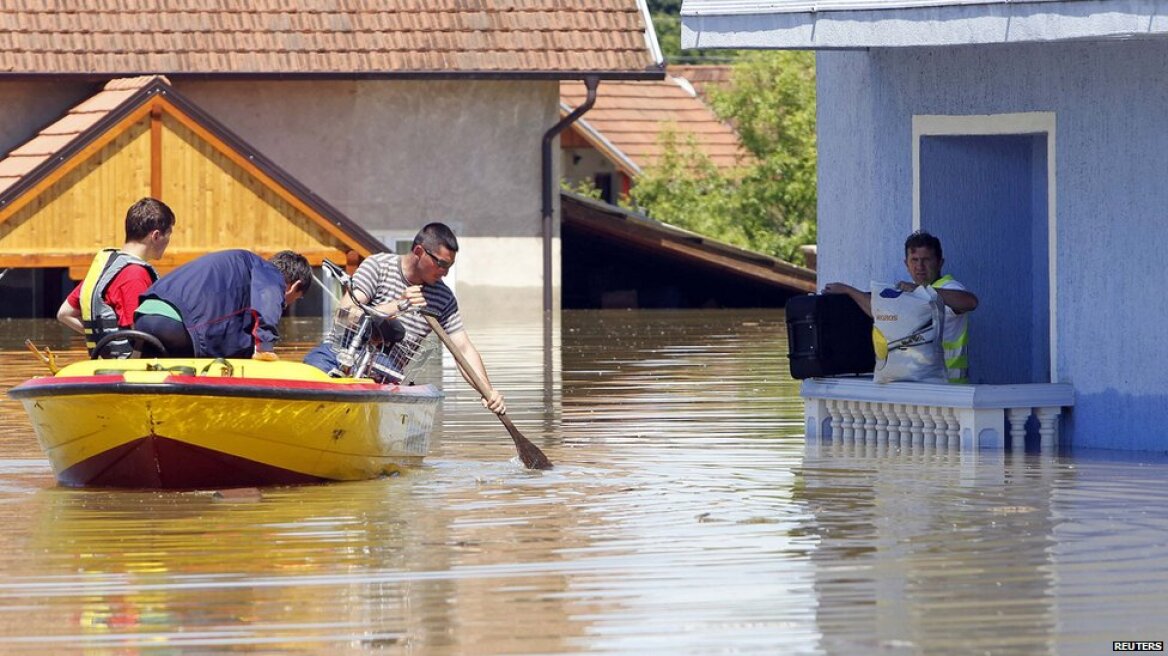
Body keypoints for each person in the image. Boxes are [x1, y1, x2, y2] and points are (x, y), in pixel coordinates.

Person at [304, 222, 506, 414]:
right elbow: (346, 314)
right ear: (419, 251)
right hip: (339, 353)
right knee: (309, 372)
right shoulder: (378, 266)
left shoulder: (443, 298)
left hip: (384, 371)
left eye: (449, 267)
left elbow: (463, 349)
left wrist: (487, 391)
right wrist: (399, 306)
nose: (445, 273)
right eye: (441, 264)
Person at [823, 230, 978, 383]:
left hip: (952, 388)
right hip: (921, 384)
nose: (920, 266)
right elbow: (879, 312)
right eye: (914, 260)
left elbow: (970, 302)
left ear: (939, 262)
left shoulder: (949, 286)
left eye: (926, 260)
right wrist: (848, 290)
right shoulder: (910, 292)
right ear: (906, 264)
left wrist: (924, 290)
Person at [133, 249, 311, 360]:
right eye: (293, 299)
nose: (285, 305)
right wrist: (265, 348)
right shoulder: (270, 273)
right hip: (175, 325)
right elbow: (268, 300)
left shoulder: (242, 264)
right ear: (293, 286)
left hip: (143, 317)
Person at [57, 197, 176, 357]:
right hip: (131, 372)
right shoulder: (135, 274)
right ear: (155, 236)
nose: (169, 241)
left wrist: (103, 340)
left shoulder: (105, 270)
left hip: (105, 369)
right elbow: (140, 330)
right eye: (168, 234)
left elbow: (65, 313)